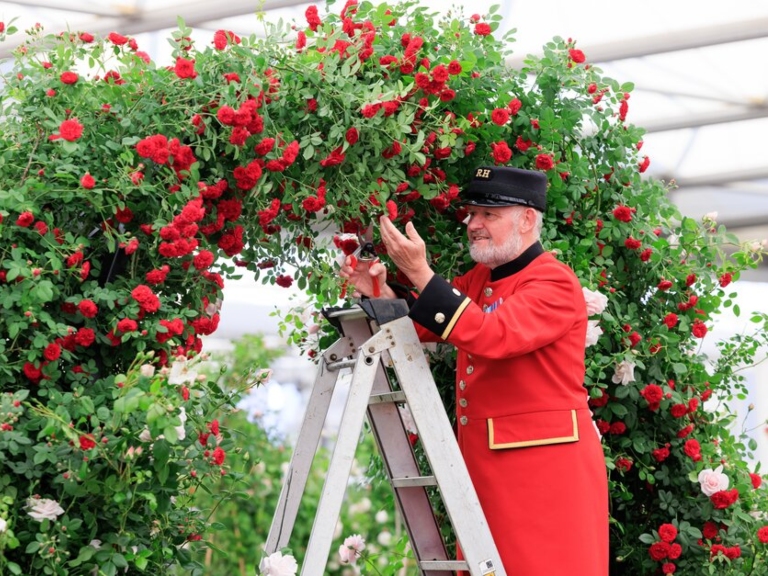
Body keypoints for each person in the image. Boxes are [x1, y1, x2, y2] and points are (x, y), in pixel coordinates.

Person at [339, 165, 609, 576]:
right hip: (492, 468)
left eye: (488, 215)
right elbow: (432, 321)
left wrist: (419, 271)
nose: (473, 224)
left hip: (543, 478)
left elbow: (490, 335)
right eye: (472, 213)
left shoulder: (554, 281)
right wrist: (380, 289)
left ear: (527, 219)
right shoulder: (484, 278)